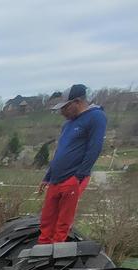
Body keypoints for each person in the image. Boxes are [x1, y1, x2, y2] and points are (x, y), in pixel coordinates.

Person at [38, 84, 107, 244]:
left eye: (65, 107)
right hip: (55, 178)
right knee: (47, 217)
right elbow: (59, 152)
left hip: (73, 177)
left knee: (63, 220)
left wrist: (79, 176)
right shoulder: (67, 124)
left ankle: (56, 251)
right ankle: (42, 247)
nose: (62, 112)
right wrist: (47, 176)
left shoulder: (96, 117)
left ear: (77, 102)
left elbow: (94, 148)